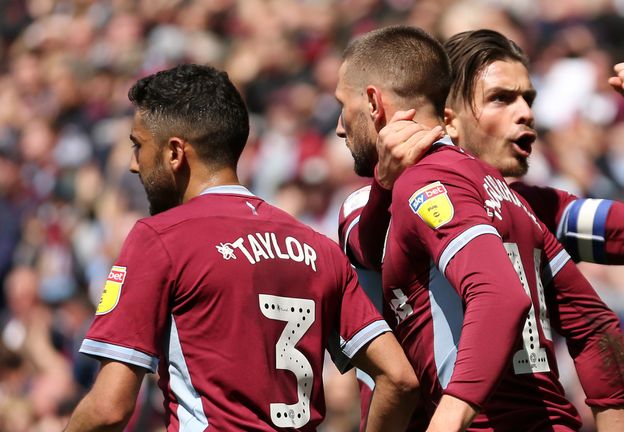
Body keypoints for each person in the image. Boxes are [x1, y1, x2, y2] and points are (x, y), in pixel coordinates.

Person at [64, 64, 418, 432]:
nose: (133, 163)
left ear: (175, 153)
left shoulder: (161, 238)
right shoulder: (319, 247)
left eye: (138, 145)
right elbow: (399, 378)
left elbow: (109, 409)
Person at [335, 25, 624, 431]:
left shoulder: (423, 183)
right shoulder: (508, 197)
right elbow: (596, 323)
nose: (339, 126)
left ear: (373, 102)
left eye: (343, 106)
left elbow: (499, 296)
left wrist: (449, 420)